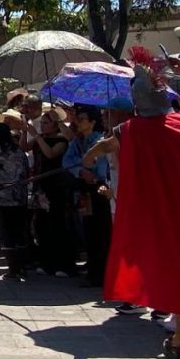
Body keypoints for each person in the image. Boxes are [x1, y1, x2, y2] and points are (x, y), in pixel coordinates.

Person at [83, 55, 180, 359]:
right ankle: (176, 342)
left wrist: (88, 159)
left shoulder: (131, 130)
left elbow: (102, 147)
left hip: (169, 223)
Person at [63, 104, 111, 288]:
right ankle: (93, 270)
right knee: (89, 230)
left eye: (82, 119)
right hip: (84, 188)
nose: (78, 122)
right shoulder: (76, 141)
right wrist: (81, 170)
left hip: (99, 188)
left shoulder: (99, 140)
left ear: (92, 122)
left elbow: (100, 164)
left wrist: (88, 169)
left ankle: (102, 272)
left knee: (101, 231)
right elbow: (68, 160)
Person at [28, 109, 73, 277]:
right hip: (40, 185)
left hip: (55, 185)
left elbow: (51, 154)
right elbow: (24, 147)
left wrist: (38, 137)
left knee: (57, 224)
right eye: (42, 123)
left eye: (47, 123)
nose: (43, 126)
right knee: (41, 225)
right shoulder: (41, 139)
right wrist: (27, 131)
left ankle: (64, 263)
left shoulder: (60, 140)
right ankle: (46, 262)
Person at [0, 123, 30, 280]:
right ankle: (22, 265)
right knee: (19, 230)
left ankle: (12, 268)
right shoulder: (18, 150)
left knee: (5, 231)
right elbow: (25, 170)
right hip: (18, 195)